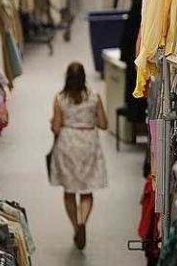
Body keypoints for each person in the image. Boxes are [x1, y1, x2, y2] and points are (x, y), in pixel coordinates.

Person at [49, 62, 108, 249]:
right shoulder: (94, 97)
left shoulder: (60, 99)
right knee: (87, 189)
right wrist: (89, 119)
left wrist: (55, 123)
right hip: (88, 141)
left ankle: (76, 227)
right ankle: (83, 221)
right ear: (84, 77)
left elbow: (56, 128)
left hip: (67, 143)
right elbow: (103, 124)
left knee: (69, 190)